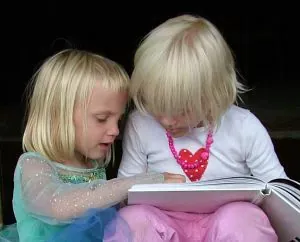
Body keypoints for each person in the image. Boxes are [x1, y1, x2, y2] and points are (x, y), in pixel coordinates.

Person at [117, 14, 288, 241]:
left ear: (214, 96)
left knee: (244, 219)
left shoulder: (244, 126)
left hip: (226, 225)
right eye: (157, 105)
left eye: (182, 110)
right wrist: (150, 183)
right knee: (132, 220)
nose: (167, 120)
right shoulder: (141, 124)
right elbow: (123, 193)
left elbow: (281, 192)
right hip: (163, 222)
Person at [1, 49, 185, 242]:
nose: (115, 130)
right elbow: (58, 207)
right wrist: (135, 182)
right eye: (102, 118)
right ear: (59, 116)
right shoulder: (34, 164)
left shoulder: (94, 166)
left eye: (118, 120)